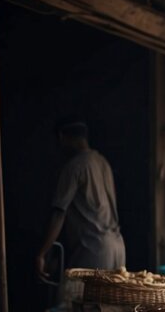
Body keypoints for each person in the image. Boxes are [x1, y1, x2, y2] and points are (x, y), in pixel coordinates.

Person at [36, 118, 125, 286]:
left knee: (78, 306)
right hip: (117, 246)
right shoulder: (102, 162)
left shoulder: (74, 167)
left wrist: (42, 253)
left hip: (95, 250)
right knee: (109, 307)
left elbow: (59, 214)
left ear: (62, 137)